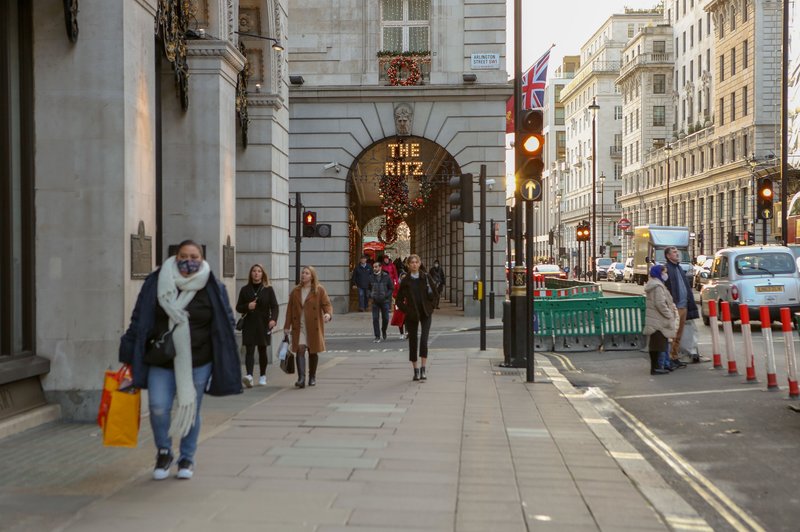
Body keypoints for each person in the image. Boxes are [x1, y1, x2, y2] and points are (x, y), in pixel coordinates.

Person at [119, 240, 241, 480]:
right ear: (175, 257)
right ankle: (164, 451)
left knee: (190, 408)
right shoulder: (156, 282)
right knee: (158, 407)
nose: (189, 260)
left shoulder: (212, 285)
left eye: (194, 256)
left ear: (202, 258)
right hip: (160, 359)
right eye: (184, 255)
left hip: (198, 360)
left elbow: (226, 320)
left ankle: (187, 456)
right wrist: (128, 352)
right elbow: (139, 318)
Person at [283, 266, 333, 388]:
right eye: (303, 273)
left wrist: (327, 314)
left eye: (306, 273)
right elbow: (290, 309)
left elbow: (327, 304)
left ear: (312, 276)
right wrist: (286, 326)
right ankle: (301, 378)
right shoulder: (295, 291)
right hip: (299, 326)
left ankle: (312, 376)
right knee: (300, 349)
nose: (303, 275)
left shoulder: (319, 290)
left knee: (313, 351)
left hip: (313, 325)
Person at [395, 254, 438, 381]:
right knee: (413, 341)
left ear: (419, 263)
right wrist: (407, 311)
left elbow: (435, 294)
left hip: (426, 313)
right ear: (408, 265)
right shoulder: (406, 281)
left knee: (424, 340)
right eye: (412, 262)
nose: (414, 264)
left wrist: (431, 307)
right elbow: (398, 301)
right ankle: (416, 370)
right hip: (412, 314)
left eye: (416, 262)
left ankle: (423, 368)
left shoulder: (426, 277)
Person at [236, 264, 279, 387]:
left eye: (259, 271)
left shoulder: (268, 289)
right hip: (249, 323)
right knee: (249, 350)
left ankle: (262, 376)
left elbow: (274, 306)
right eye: (254, 271)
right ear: (251, 274)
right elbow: (238, 307)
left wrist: (273, 320)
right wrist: (247, 306)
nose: (256, 273)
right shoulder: (245, 289)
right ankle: (249, 375)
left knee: (262, 349)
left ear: (262, 274)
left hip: (263, 323)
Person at [663, 246, 698, 366]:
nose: (677, 254)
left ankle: (674, 356)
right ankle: (670, 359)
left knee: (679, 335)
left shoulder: (678, 268)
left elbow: (686, 287)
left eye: (677, 252)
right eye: (674, 252)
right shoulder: (667, 269)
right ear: (668, 256)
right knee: (673, 334)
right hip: (675, 307)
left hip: (683, 306)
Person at [643, 264, 679, 375]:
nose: (665, 274)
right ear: (659, 273)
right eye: (664, 272)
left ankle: (656, 367)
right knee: (658, 345)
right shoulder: (657, 286)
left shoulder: (655, 284)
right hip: (658, 320)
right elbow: (660, 303)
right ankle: (655, 368)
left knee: (656, 344)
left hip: (655, 318)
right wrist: (669, 315)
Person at [369, 260, 394, 342]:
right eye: (373, 267)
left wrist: (386, 295)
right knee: (375, 319)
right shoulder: (371, 277)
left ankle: (383, 330)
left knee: (386, 318)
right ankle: (377, 336)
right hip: (375, 301)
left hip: (385, 301)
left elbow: (391, 288)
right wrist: (371, 295)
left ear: (380, 267)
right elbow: (368, 288)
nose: (374, 268)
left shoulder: (386, 276)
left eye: (376, 267)